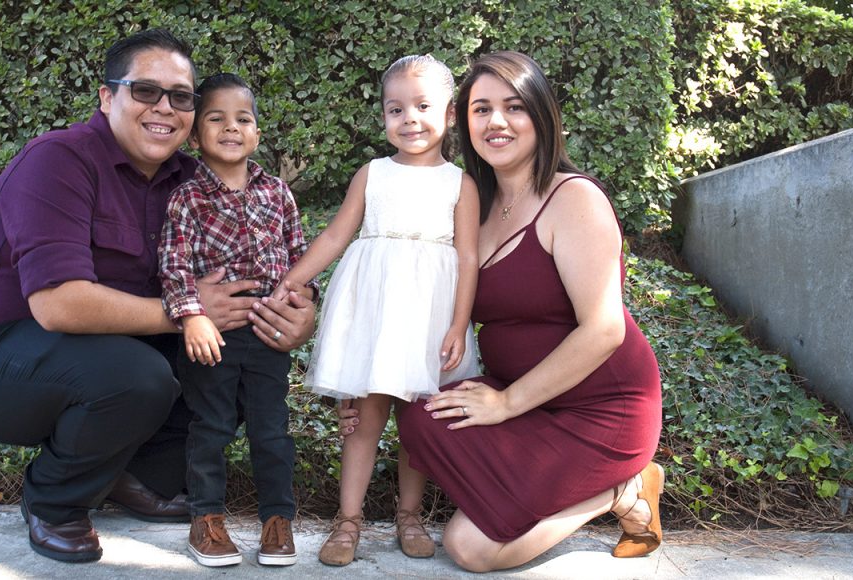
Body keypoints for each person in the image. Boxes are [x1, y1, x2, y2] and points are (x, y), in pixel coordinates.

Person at [0, 29, 316, 564]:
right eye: (145, 91)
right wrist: (189, 311)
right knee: (137, 375)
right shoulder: (57, 160)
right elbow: (59, 305)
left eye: (181, 97)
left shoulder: (192, 181)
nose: (164, 107)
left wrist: (297, 317)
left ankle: (127, 476)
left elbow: (255, 271)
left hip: (118, 347)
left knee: (230, 363)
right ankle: (53, 501)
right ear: (106, 96)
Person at [393, 51, 665, 572]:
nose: (496, 121)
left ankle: (621, 490)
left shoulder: (573, 198)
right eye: (481, 109)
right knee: (423, 418)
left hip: (604, 410)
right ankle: (540, 491)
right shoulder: (476, 204)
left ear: (541, 116)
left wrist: (508, 403)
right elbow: (421, 297)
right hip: (530, 407)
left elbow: (605, 329)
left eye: (514, 107)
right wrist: (365, 382)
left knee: (470, 549)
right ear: (463, 121)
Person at [275, 54, 480, 566]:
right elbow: (336, 234)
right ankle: (348, 521)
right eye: (396, 109)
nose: (409, 118)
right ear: (384, 117)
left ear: (450, 115)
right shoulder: (373, 174)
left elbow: (469, 256)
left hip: (429, 313)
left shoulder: (461, 183)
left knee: (417, 424)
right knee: (365, 421)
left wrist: (458, 324)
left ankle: (409, 515)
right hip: (374, 309)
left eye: (423, 106)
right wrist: (292, 279)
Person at [158, 72, 314, 568]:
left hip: (269, 334)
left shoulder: (278, 194)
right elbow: (173, 265)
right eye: (216, 118)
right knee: (211, 427)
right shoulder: (186, 198)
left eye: (242, 118)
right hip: (214, 335)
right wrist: (191, 318)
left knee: (272, 430)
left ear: (257, 133)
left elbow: (299, 255)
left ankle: (277, 520)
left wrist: (305, 299)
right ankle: (206, 520)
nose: (231, 127)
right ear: (196, 134)